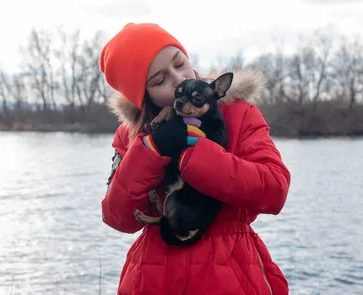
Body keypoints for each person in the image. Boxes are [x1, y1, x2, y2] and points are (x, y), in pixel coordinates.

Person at [99, 23, 291, 295]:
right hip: (152, 278)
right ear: (143, 95)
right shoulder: (131, 135)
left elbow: (275, 190)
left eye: (180, 63)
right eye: (159, 80)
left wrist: (195, 152)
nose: (178, 79)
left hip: (229, 274)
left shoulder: (238, 114)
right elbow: (118, 217)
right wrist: (151, 149)